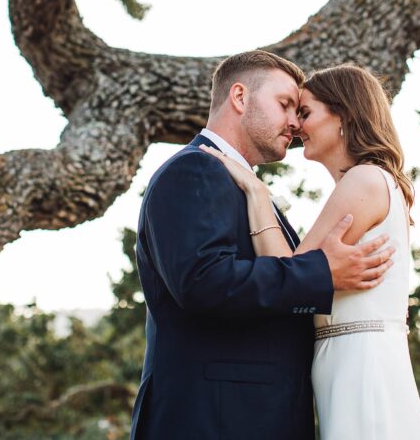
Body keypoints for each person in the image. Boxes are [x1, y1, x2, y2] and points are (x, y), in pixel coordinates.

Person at [130, 50, 396, 440]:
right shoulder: (195, 169)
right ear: (240, 97)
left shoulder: (237, 182)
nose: (294, 122)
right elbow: (203, 282)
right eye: (285, 104)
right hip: (213, 419)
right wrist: (322, 272)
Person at [201, 63, 420, 440]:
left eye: (304, 112)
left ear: (343, 115)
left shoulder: (365, 179)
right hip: (350, 358)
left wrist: (258, 195)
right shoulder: (372, 181)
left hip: (361, 363)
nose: (295, 125)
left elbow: (289, 275)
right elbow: (297, 276)